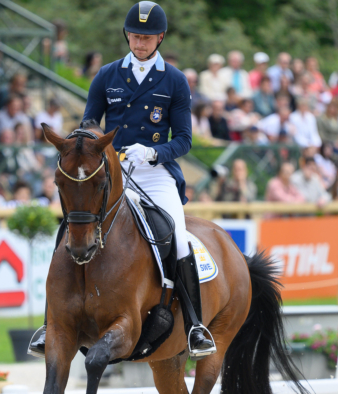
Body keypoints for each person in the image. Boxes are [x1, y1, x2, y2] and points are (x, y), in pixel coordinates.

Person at [29, 1, 214, 360]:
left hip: (155, 173)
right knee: (70, 227)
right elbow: (87, 125)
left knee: (177, 236)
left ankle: (194, 325)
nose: (139, 42)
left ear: (159, 37)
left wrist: (154, 153)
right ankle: (51, 323)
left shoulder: (174, 80)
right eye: (134, 35)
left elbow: (185, 139)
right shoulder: (107, 76)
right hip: (110, 171)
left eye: (146, 37)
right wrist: (92, 148)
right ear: (126, 35)